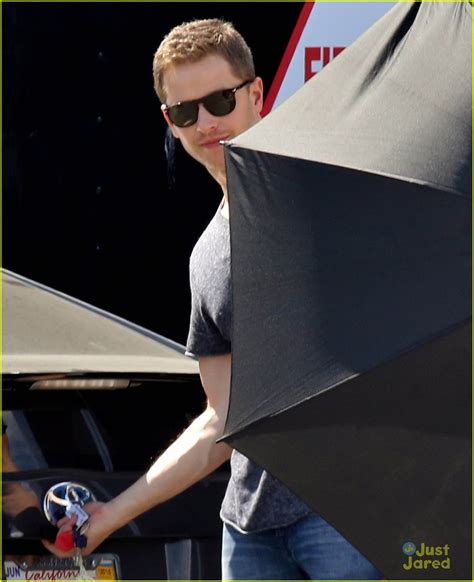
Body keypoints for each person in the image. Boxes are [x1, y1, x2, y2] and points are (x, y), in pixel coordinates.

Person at [44, 18, 381, 580]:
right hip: (248, 534)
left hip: (347, 518)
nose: (206, 122)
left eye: (220, 100)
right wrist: (109, 516)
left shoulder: (337, 202)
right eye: (185, 112)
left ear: (255, 94)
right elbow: (221, 420)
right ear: (170, 124)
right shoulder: (207, 256)